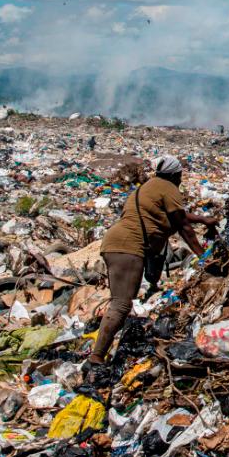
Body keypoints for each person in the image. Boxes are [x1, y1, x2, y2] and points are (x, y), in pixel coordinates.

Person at [88, 154, 217, 364]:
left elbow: (176, 215)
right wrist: (203, 257)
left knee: (120, 301)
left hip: (115, 242)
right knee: (121, 304)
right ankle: (97, 356)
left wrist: (203, 219)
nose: (181, 179)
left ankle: (100, 352)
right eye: (180, 175)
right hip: (129, 247)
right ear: (175, 174)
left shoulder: (148, 187)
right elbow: (183, 226)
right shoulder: (169, 188)